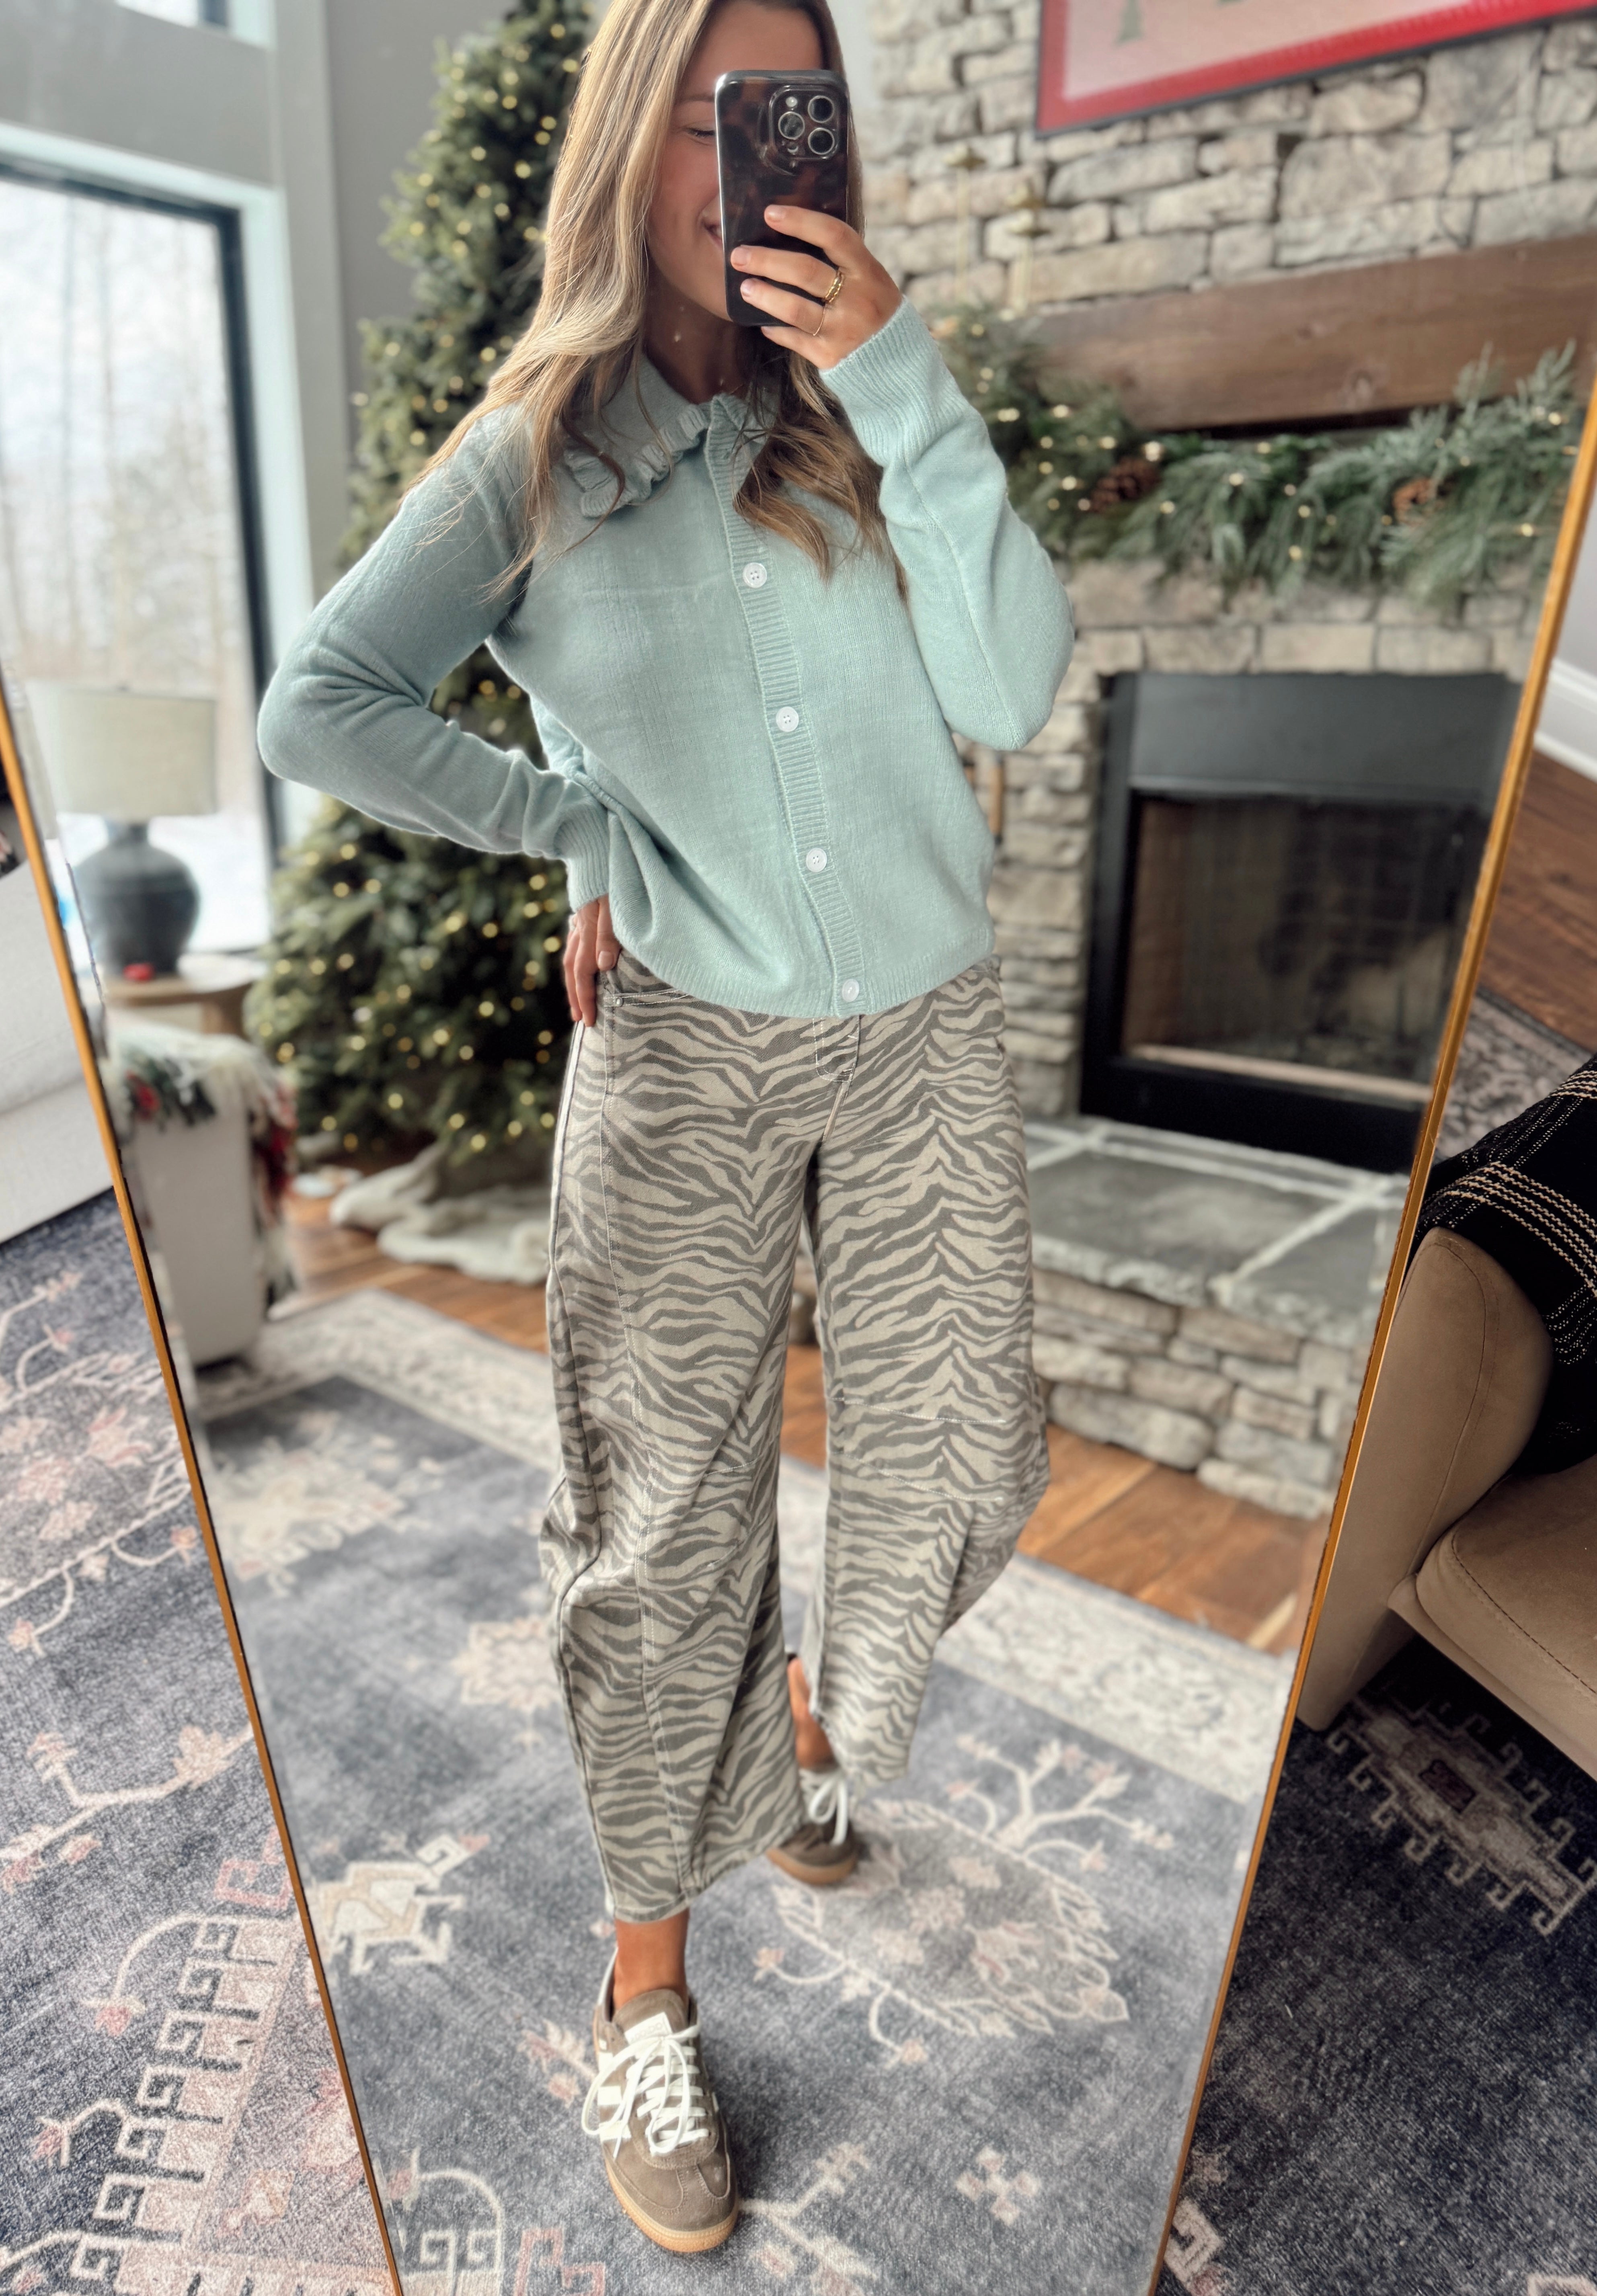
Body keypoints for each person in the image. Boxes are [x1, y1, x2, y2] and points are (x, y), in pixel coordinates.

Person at [258, 0, 1072, 2256]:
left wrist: (904, 380)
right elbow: (319, 702)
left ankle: (793, 1736)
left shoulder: (870, 409)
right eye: (709, 117)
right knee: (655, 1531)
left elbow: (1013, 686)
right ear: (633, 143)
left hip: (919, 1032)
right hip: (686, 1051)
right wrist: (574, 830)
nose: (747, 161)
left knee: (967, 1460)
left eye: (784, 116)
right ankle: (645, 1989)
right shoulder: (530, 453)